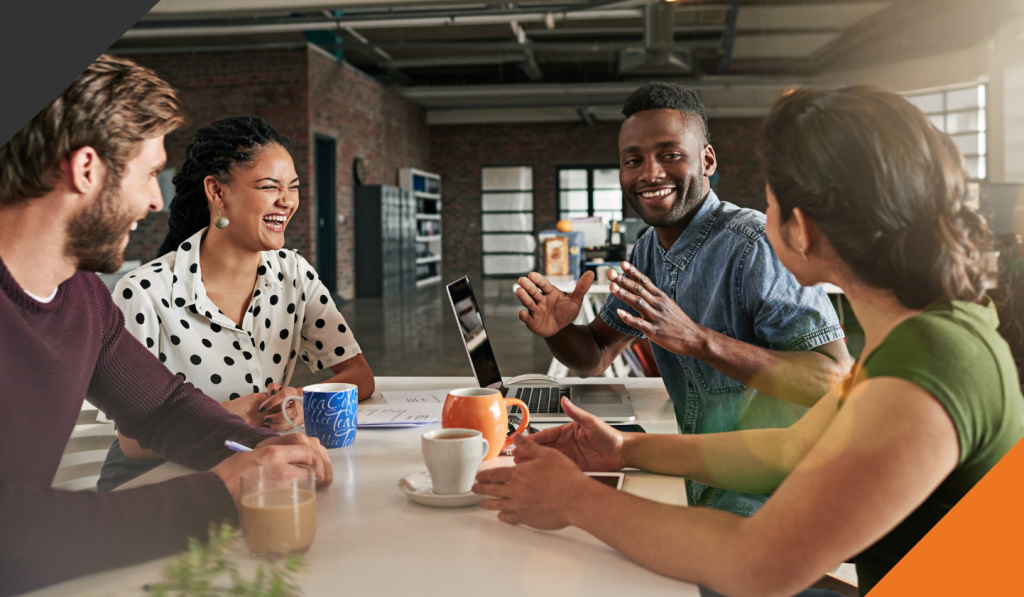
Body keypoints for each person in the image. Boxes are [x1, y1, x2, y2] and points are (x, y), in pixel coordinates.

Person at [475, 86, 1023, 597]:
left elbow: (758, 565)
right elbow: (788, 450)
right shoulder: (926, 333)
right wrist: (624, 450)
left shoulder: (925, 362)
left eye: (772, 200)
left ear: (799, 228)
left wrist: (575, 499)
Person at [0, 55, 333, 597]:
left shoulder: (81, 296)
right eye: (149, 172)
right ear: (86, 169)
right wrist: (219, 498)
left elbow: (162, 407)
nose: (156, 200)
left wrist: (262, 451)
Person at [515, 81, 852, 516]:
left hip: (772, 497)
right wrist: (558, 329)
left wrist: (697, 339)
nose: (649, 174)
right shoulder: (647, 250)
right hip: (699, 476)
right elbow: (594, 355)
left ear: (707, 159)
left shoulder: (753, 243)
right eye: (633, 160)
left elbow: (833, 382)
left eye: (670, 155)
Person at [97, 115, 374, 490]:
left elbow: (360, 376)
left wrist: (301, 399)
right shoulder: (144, 292)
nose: (287, 200)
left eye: (292, 187)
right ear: (217, 191)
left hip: (254, 469)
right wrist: (231, 414)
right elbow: (132, 442)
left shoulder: (294, 273)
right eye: (268, 186)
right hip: (155, 485)